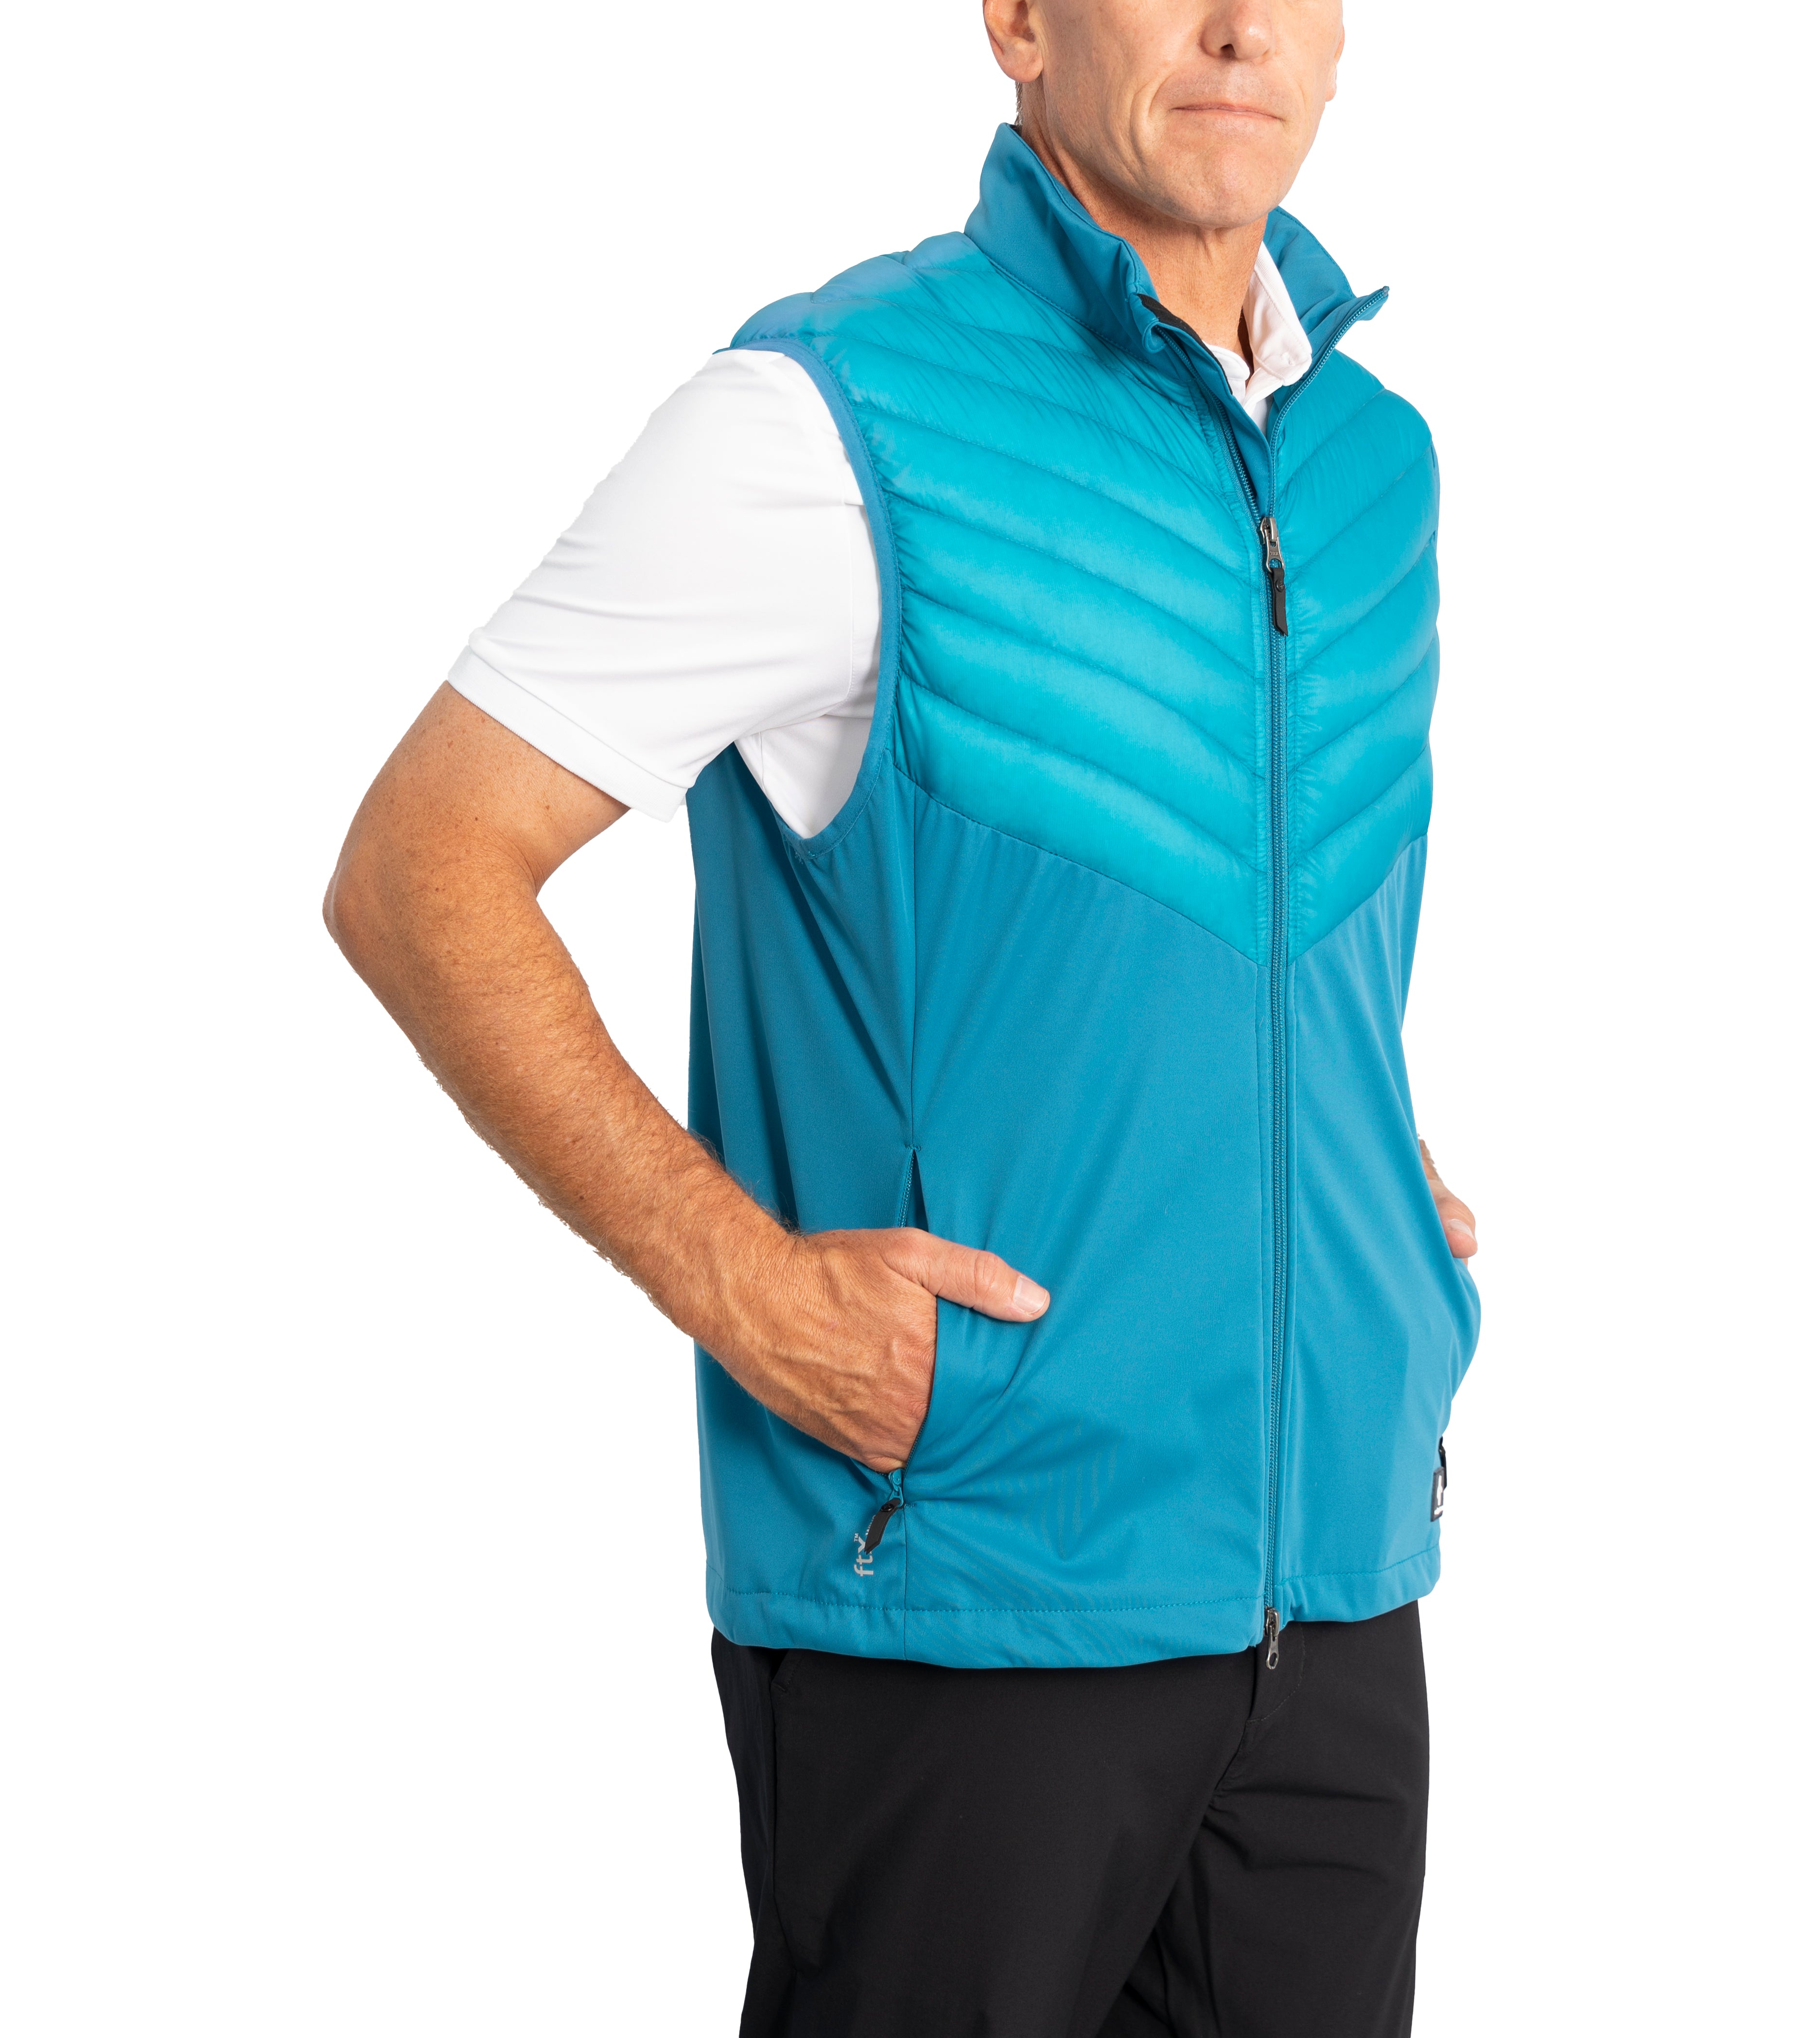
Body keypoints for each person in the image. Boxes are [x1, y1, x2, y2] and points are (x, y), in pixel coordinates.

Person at [326, 1, 1482, 2029]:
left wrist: (1350, 1178)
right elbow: (424, 866)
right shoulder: (829, 419)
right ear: (1019, 17)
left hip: (1334, 1598)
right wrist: (746, 1288)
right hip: (963, 1588)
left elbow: (1235, 952)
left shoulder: (1370, 462)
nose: (1240, 30)